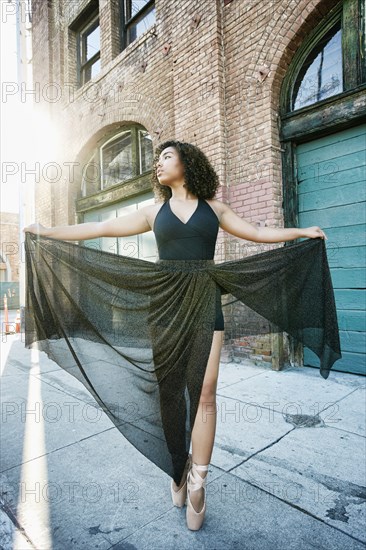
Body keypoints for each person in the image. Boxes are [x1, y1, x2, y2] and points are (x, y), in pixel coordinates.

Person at [23, 140, 333, 531]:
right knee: (170, 391)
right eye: (157, 159)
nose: (158, 164)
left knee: (205, 391)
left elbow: (255, 231)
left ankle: (199, 481)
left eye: (166, 156)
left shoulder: (215, 209)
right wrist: (49, 231)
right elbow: (98, 227)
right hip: (164, 305)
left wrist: (300, 231)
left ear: (188, 163)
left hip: (204, 302)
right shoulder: (153, 212)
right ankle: (177, 467)